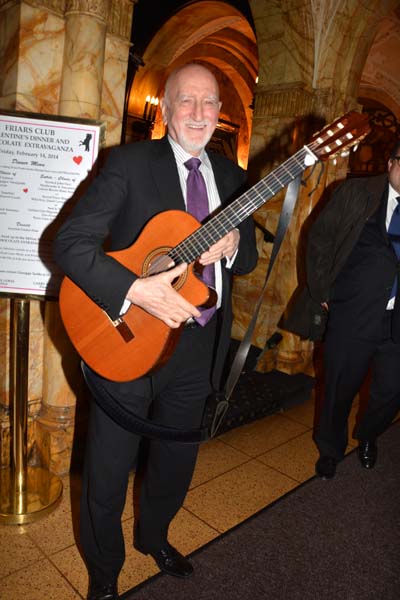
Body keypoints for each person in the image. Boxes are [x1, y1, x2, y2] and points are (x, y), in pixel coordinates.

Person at [54, 63, 258, 600]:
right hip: (127, 336)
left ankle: (156, 536)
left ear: (221, 113)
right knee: (108, 465)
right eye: (185, 101)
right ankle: (104, 571)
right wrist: (134, 289)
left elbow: (252, 258)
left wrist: (235, 245)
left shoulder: (232, 176)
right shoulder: (127, 164)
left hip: (197, 343)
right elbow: (70, 244)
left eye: (209, 102)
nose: (197, 112)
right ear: (164, 109)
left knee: (175, 457)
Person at [283, 142, 400, 480]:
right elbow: (319, 238)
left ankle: (367, 435)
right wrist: (322, 290)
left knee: (391, 390)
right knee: (338, 388)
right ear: (391, 163)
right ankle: (330, 449)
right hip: (352, 312)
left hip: (396, 319)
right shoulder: (356, 192)